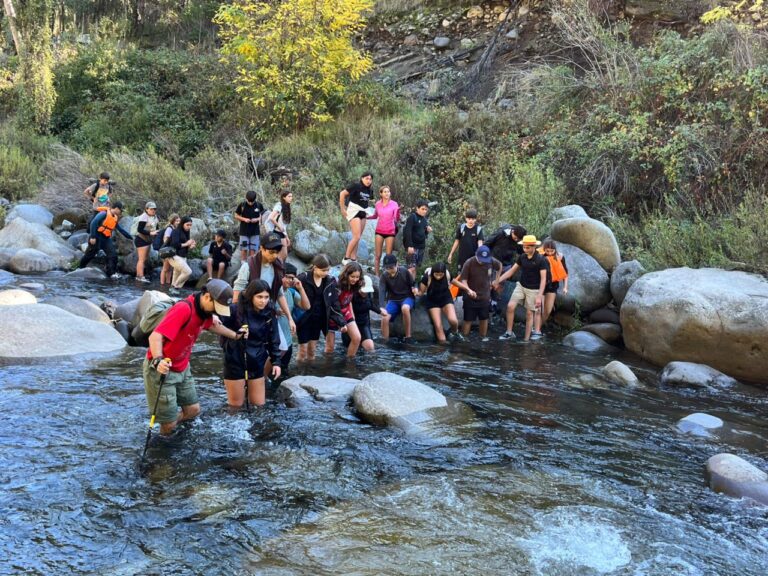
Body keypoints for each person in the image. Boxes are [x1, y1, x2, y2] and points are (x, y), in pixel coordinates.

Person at [144, 279, 245, 435]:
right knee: (169, 424)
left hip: (182, 366)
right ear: (206, 296)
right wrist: (158, 360)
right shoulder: (183, 309)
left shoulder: (205, 312)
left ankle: (167, 424)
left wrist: (235, 335)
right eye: (215, 308)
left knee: (193, 410)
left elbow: (211, 325)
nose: (216, 313)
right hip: (163, 369)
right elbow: (155, 337)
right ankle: (164, 440)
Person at [233, 231, 297, 359]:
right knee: (249, 349)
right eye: (271, 252)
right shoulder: (248, 266)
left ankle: (262, 375)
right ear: (261, 248)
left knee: (281, 348)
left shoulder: (277, 267)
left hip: (268, 312)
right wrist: (237, 317)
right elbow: (237, 292)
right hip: (248, 312)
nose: (274, 256)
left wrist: (290, 318)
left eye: (277, 252)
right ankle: (255, 376)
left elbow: (279, 293)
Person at [220, 279, 283, 410]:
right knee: (235, 406)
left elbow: (274, 338)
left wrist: (276, 362)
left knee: (259, 406)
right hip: (235, 360)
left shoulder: (270, 313)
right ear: (251, 296)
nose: (263, 301)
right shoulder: (234, 310)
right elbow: (217, 327)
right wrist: (236, 334)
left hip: (257, 360)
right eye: (259, 297)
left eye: (266, 297)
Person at [494, 235, 549, 342]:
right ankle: (509, 333)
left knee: (529, 313)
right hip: (521, 286)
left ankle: (526, 340)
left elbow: (543, 279)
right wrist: (497, 280)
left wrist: (539, 296)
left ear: (534, 247)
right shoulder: (522, 257)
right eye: (524, 247)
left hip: (534, 289)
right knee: (510, 307)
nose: (525, 249)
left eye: (527, 247)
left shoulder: (541, 260)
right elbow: (511, 271)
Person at [296, 254, 347, 360]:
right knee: (302, 351)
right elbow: (292, 294)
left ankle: (310, 373)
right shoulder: (303, 278)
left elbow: (334, 303)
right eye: (323, 270)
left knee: (312, 351)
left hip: (319, 320)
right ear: (315, 267)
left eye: (328, 270)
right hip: (304, 319)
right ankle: (299, 373)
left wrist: (341, 323)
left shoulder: (329, 282)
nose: (326, 273)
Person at [451, 245, 502, 340]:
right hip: (470, 296)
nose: (482, 261)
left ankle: (483, 338)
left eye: (484, 260)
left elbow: (499, 266)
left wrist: (497, 280)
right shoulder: (469, 262)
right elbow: (463, 280)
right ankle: (465, 339)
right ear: (476, 255)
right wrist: (468, 290)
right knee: (468, 319)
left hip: (485, 295)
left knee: (484, 318)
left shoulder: (491, 260)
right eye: (481, 259)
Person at [78, 201, 131, 279]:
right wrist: (92, 237)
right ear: (116, 208)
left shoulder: (114, 217)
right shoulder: (104, 213)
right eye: (121, 210)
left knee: (112, 255)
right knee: (90, 254)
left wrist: (130, 237)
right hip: (96, 236)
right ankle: (80, 268)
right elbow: (94, 223)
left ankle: (111, 273)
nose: (121, 212)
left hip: (105, 238)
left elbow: (120, 229)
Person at [278, 262, 310, 374]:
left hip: (288, 340)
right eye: (287, 277)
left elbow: (306, 306)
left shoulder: (291, 292)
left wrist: (300, 289)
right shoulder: (272, 292)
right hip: (274, 340)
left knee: (284, 370)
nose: (290, 280)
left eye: (292, 278)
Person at [379, 253, 418, 342]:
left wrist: (415, 288)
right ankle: (385, 341)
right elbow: (381, 292)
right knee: (385, 317)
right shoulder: (384, 276)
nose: (390, 270)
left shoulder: (404, 271)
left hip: (407, 297)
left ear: (397, 264)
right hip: (393, 300)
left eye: (391, 267)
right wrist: (381, 307)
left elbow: (413, 283)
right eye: (387, 268)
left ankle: (408, 337)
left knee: (405, 308)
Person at [418, 262, 461, 343]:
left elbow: (455, 282)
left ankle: (455, 333)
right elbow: (421, 291)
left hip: (446, 299)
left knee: (453, 320)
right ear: (433, 272)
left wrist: (468, 289)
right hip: (433, 301)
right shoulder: (427, 276)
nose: (438, 277)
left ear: (444, 273)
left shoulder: (447, 274)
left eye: (441, 274)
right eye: (436, 274)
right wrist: (416, 292)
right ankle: (443, 346)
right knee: (438, 326)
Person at [339, 172, 374, 265]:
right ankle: (346, 258)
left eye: (370, 179)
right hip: (354, 211)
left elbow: (369, 201)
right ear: (362, 178)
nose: (368, 181)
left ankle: (354, 259)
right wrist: (342, 209)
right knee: (356, 236)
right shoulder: (356, 186)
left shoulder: (370, 191)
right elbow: (342, 194)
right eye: (367, 178)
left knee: (358, 237)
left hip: (363, 213)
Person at [368, 185, 400, 276]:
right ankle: (377, 275)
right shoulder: (378, 203)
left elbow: (396, 219)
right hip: (379, 231)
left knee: (388, 256)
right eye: (385, 192)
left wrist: (398, 212)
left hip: (390, 231)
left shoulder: (394, 204)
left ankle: (387, 274)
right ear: (381, 194)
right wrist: (366, 217)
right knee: (377, 255)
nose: (387, 193)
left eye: (388, 191)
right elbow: (375, 216)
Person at [342, 274, 379, 353]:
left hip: (364, 324)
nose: (365, 293)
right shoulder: (351, 294)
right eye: (363, 291)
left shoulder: (368, 293)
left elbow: (370, 304)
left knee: (370, 347)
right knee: (348, 350)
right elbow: (343, 308)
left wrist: (380, 311)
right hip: (351, 324)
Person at [335, 262, 365, 357]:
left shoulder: (355, 284)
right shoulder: (338, 286)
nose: (355, 279)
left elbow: (349, 301)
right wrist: (340, 323)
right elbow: (333, 304)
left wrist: (352, 315)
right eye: (352, 276)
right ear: (346, 274)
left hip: (346, 311)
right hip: (334, 313)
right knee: (330, 346)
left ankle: (349, 362)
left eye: (357, 277)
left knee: (357, 338)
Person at [539, 238, 569, 328]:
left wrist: (565, 287)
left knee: (547, 311)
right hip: (540, 284)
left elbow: (565, 274)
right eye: (547, 251)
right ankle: (535, 329)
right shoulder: (540, 256)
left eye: (552, 251)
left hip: (553, 285)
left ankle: (537, 328)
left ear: (555, 249)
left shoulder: (560, 257)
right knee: (540, 309)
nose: (550, 253)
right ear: (544, 249)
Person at [447, 208, 483, 275]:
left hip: (473, 258)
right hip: (462, 257)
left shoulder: (478, 229)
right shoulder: (461, 228)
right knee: (461, 275)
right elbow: (456, 241)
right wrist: (451, 254)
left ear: (475, 219)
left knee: (472, 275)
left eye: (473, 219)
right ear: (466, 218)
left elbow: (480, 243)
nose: (471, 221)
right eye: (469, 219)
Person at [403, 198, 432, 279]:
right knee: (410, 268)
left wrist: (427, 231)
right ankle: (407, 286)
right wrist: (409, 245)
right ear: (417, 208)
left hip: (421, 247)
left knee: (415, 268)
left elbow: (423, 234)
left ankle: (412, 286)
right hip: (413, 246)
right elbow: (407, 232)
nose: (424, 211)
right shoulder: (412, 217)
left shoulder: (424, 220)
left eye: (426, 209)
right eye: (422, 209)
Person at [234, 190, 265, 261]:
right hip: (244, 231)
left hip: (255, 231)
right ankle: (243, 264)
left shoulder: (259, 205)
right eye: (249, 201)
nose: (250, 203)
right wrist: (244, 219)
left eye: (252, 202)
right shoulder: (242, 205)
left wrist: (257, 219)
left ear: (255, 199)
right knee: (244, 249)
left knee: (253, 249)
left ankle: (251, 265)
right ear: (246, 198)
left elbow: (262, 216)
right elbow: (236, 215)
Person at [168, 216, 196, 294]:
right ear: (182, 223)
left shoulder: (186, 232)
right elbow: (174, 245)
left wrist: (190, 246)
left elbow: (185, 245)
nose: (189, 227)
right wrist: (187, 243)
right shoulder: (176, 231)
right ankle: (175, 286)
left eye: (190, 225)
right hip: (174, 256)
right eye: (187, 225)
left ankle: (172, 290)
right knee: (188, 272)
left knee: (176, 274)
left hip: (183, 256)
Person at [133, 201, 159, 283]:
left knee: (145, 259)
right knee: (141, 259)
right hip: (141, 239)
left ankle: (141, 275)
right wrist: (150, 233)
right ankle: (139, 276)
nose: (153, 210)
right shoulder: (144, 217)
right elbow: (139, 230)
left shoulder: (155, 217)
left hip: (148, 240)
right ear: (146, 209)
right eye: (151, 209)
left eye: (154, 209)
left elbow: (156, 227)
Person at [266, 189, 293, 261]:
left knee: (283, 255)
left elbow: (284, 226)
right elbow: (271, 218)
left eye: (291, 196)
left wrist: (287, 237)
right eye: (289, 196)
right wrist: (279, 227)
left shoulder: (286, 207)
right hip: (276, 232)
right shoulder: (279, 206)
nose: (291, 198)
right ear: (284, 197)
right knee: (282, 255)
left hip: (281, 232)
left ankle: (276, 268)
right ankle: (276, 269)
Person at [159, 214, 180, 286]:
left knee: (170, 269)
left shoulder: (175, 229)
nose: (178, 222)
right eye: (176, 221)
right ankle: (162, 284)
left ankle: (168, 283)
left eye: (179, 221)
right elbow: (165, 239)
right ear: (172, 221)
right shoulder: (169, 229)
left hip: (171, 251)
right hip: (167, 251)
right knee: (165, 268)